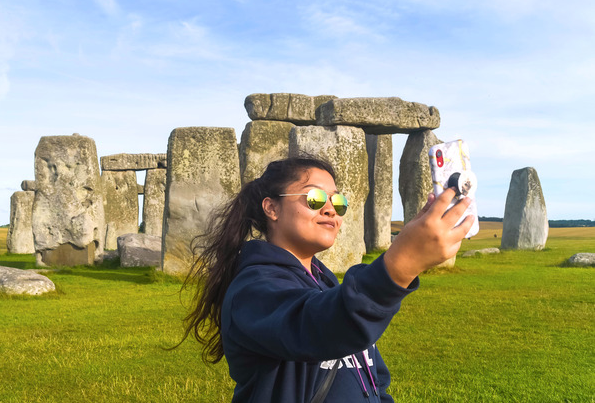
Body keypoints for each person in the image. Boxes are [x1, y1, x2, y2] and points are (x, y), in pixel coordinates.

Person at [180, 156, 474, 403]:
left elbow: (372, 377)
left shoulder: (326, 284)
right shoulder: (252, 288)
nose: (331, 208)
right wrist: (400, 264)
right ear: (271, 208)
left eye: (338, 200)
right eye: (314, 198)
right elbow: (316, 325)